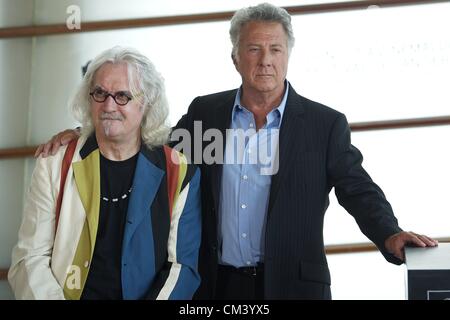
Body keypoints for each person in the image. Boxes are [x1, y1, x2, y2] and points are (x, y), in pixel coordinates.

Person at [36, 3, 437, 300]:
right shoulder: (205, 112)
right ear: (235, 58)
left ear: (288, 55)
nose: (265, 61)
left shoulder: (323, 124)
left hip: (293, 287)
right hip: (216, 287)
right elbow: (150, 145)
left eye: (275, 50)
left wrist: (389, 232)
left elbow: (357, 188)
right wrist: (87, 130)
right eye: (253, 49)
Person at [9, 46, 201, 300]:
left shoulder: (179, 171)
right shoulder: (55, 162)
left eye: (123, 96)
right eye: (99, 93)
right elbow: (30, 257)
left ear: (146, 103)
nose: (108, 105)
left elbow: (182, 268)